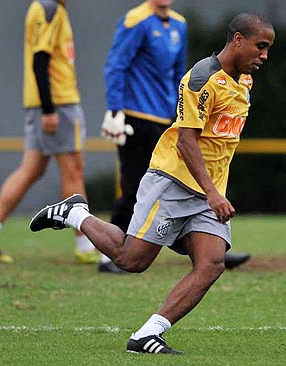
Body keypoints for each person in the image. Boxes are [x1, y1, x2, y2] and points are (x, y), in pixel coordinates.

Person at [30, 12, 275, 354]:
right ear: (237, 40)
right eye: (260, 47)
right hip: (172, 182)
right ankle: (75, 214)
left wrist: (210, 193)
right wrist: (213, 193)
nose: (264, 55)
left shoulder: (245, 81)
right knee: (132, 260)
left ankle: (147, 334)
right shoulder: (202, 79)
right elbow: (186, 142)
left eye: (267, 49)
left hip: (204, 194)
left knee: (212, 263)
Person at [99, 0, 250, 273]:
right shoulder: (136, 19)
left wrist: (182, 111)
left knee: (192, 174)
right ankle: (111, 253)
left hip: (168, 115)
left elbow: (180, 72)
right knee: (134, 183)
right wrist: (114, 109)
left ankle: (210, 249)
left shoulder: (179, 23)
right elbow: (116, 64)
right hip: (136, 114)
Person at [0, 0, 99, 265]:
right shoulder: (49, 8)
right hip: (58, 103)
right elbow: (40, 58)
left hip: (40, 103)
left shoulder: (41, 7)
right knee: (73, 173)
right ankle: (85, 244)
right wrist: (49, 109)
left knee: (31, 169)